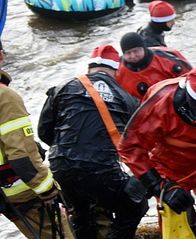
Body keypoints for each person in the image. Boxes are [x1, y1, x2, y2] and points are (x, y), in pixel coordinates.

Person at [119, 64, 196, 239]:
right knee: (182, 222)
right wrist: (159, 186)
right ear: (190, 102)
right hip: (171, 168)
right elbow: (129, 147)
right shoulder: (160, 105)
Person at [38, 45, 147, 239]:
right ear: (117, 70)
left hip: (61, 165)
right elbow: (136, 143)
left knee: (80, 213)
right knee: (135, 206)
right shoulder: (125, 97)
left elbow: (44, 132)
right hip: (102, 168)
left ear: (89, 68)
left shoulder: (61, 88)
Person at [0, 39, 64, 239]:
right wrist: (48, 190)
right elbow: (21, 155)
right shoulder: (5, 96)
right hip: (19, 192)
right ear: (1, 55)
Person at [116, 32, 192, 100]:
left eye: (136, 51)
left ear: (143, 48)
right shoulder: (117, 72)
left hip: (177, 99)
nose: (133, 56)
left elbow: (190, 79)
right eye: (128, 53)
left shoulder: (167, 57)